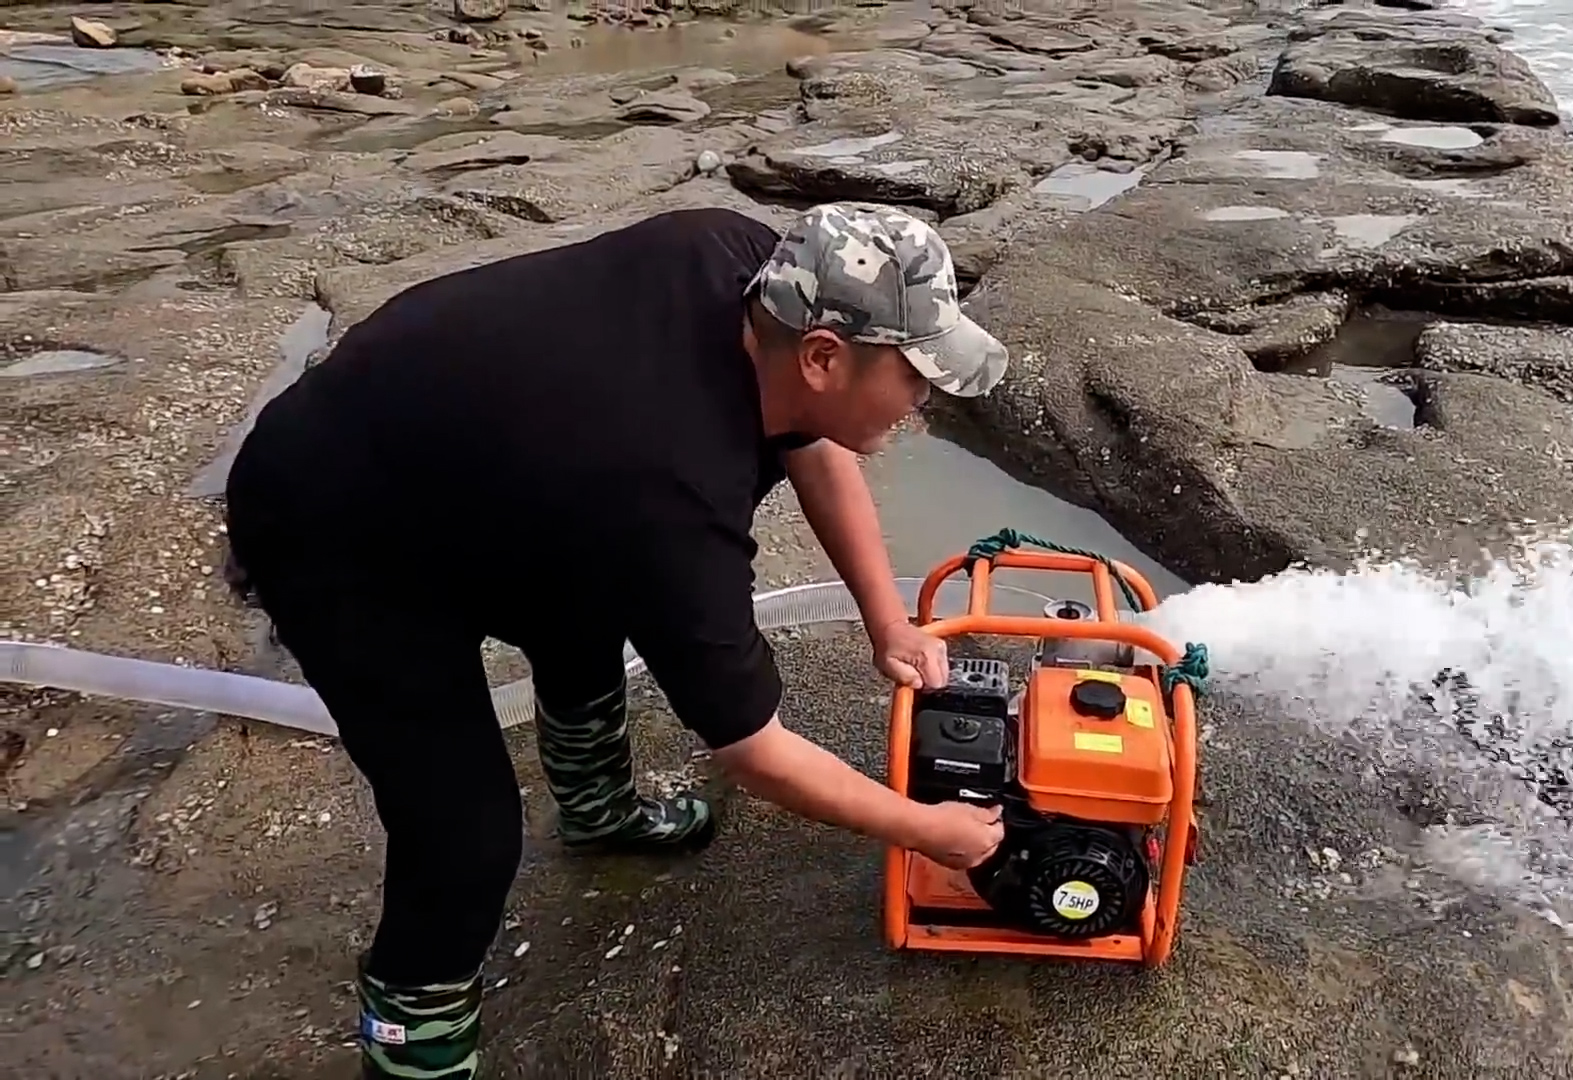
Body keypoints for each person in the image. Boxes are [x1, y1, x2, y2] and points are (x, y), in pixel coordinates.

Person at [221, 202, 1013, 1080]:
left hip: (482, 464)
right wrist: (939, 834)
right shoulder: (664, 484)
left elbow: (808, 439)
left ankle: (598, 815)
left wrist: (887, 619)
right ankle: (413, 1049)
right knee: (463, 837)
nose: (923, 399)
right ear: (825, 356)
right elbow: (754, 750)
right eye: (914, 375)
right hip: (331, 523)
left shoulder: (759, 266)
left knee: (584, 590)